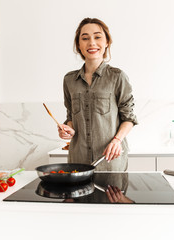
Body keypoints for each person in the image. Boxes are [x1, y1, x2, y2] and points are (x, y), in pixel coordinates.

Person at [58, 17, 138, 171]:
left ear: (107, 42)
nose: (92, 43)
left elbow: (129, 118)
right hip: (78, 161)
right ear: (79, 45)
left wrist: (117, 140)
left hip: (110, 163)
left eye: (97, 37)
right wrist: (68, 130)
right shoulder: (69, 80)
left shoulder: (117, 77)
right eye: (85, 38)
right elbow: (71, 117)